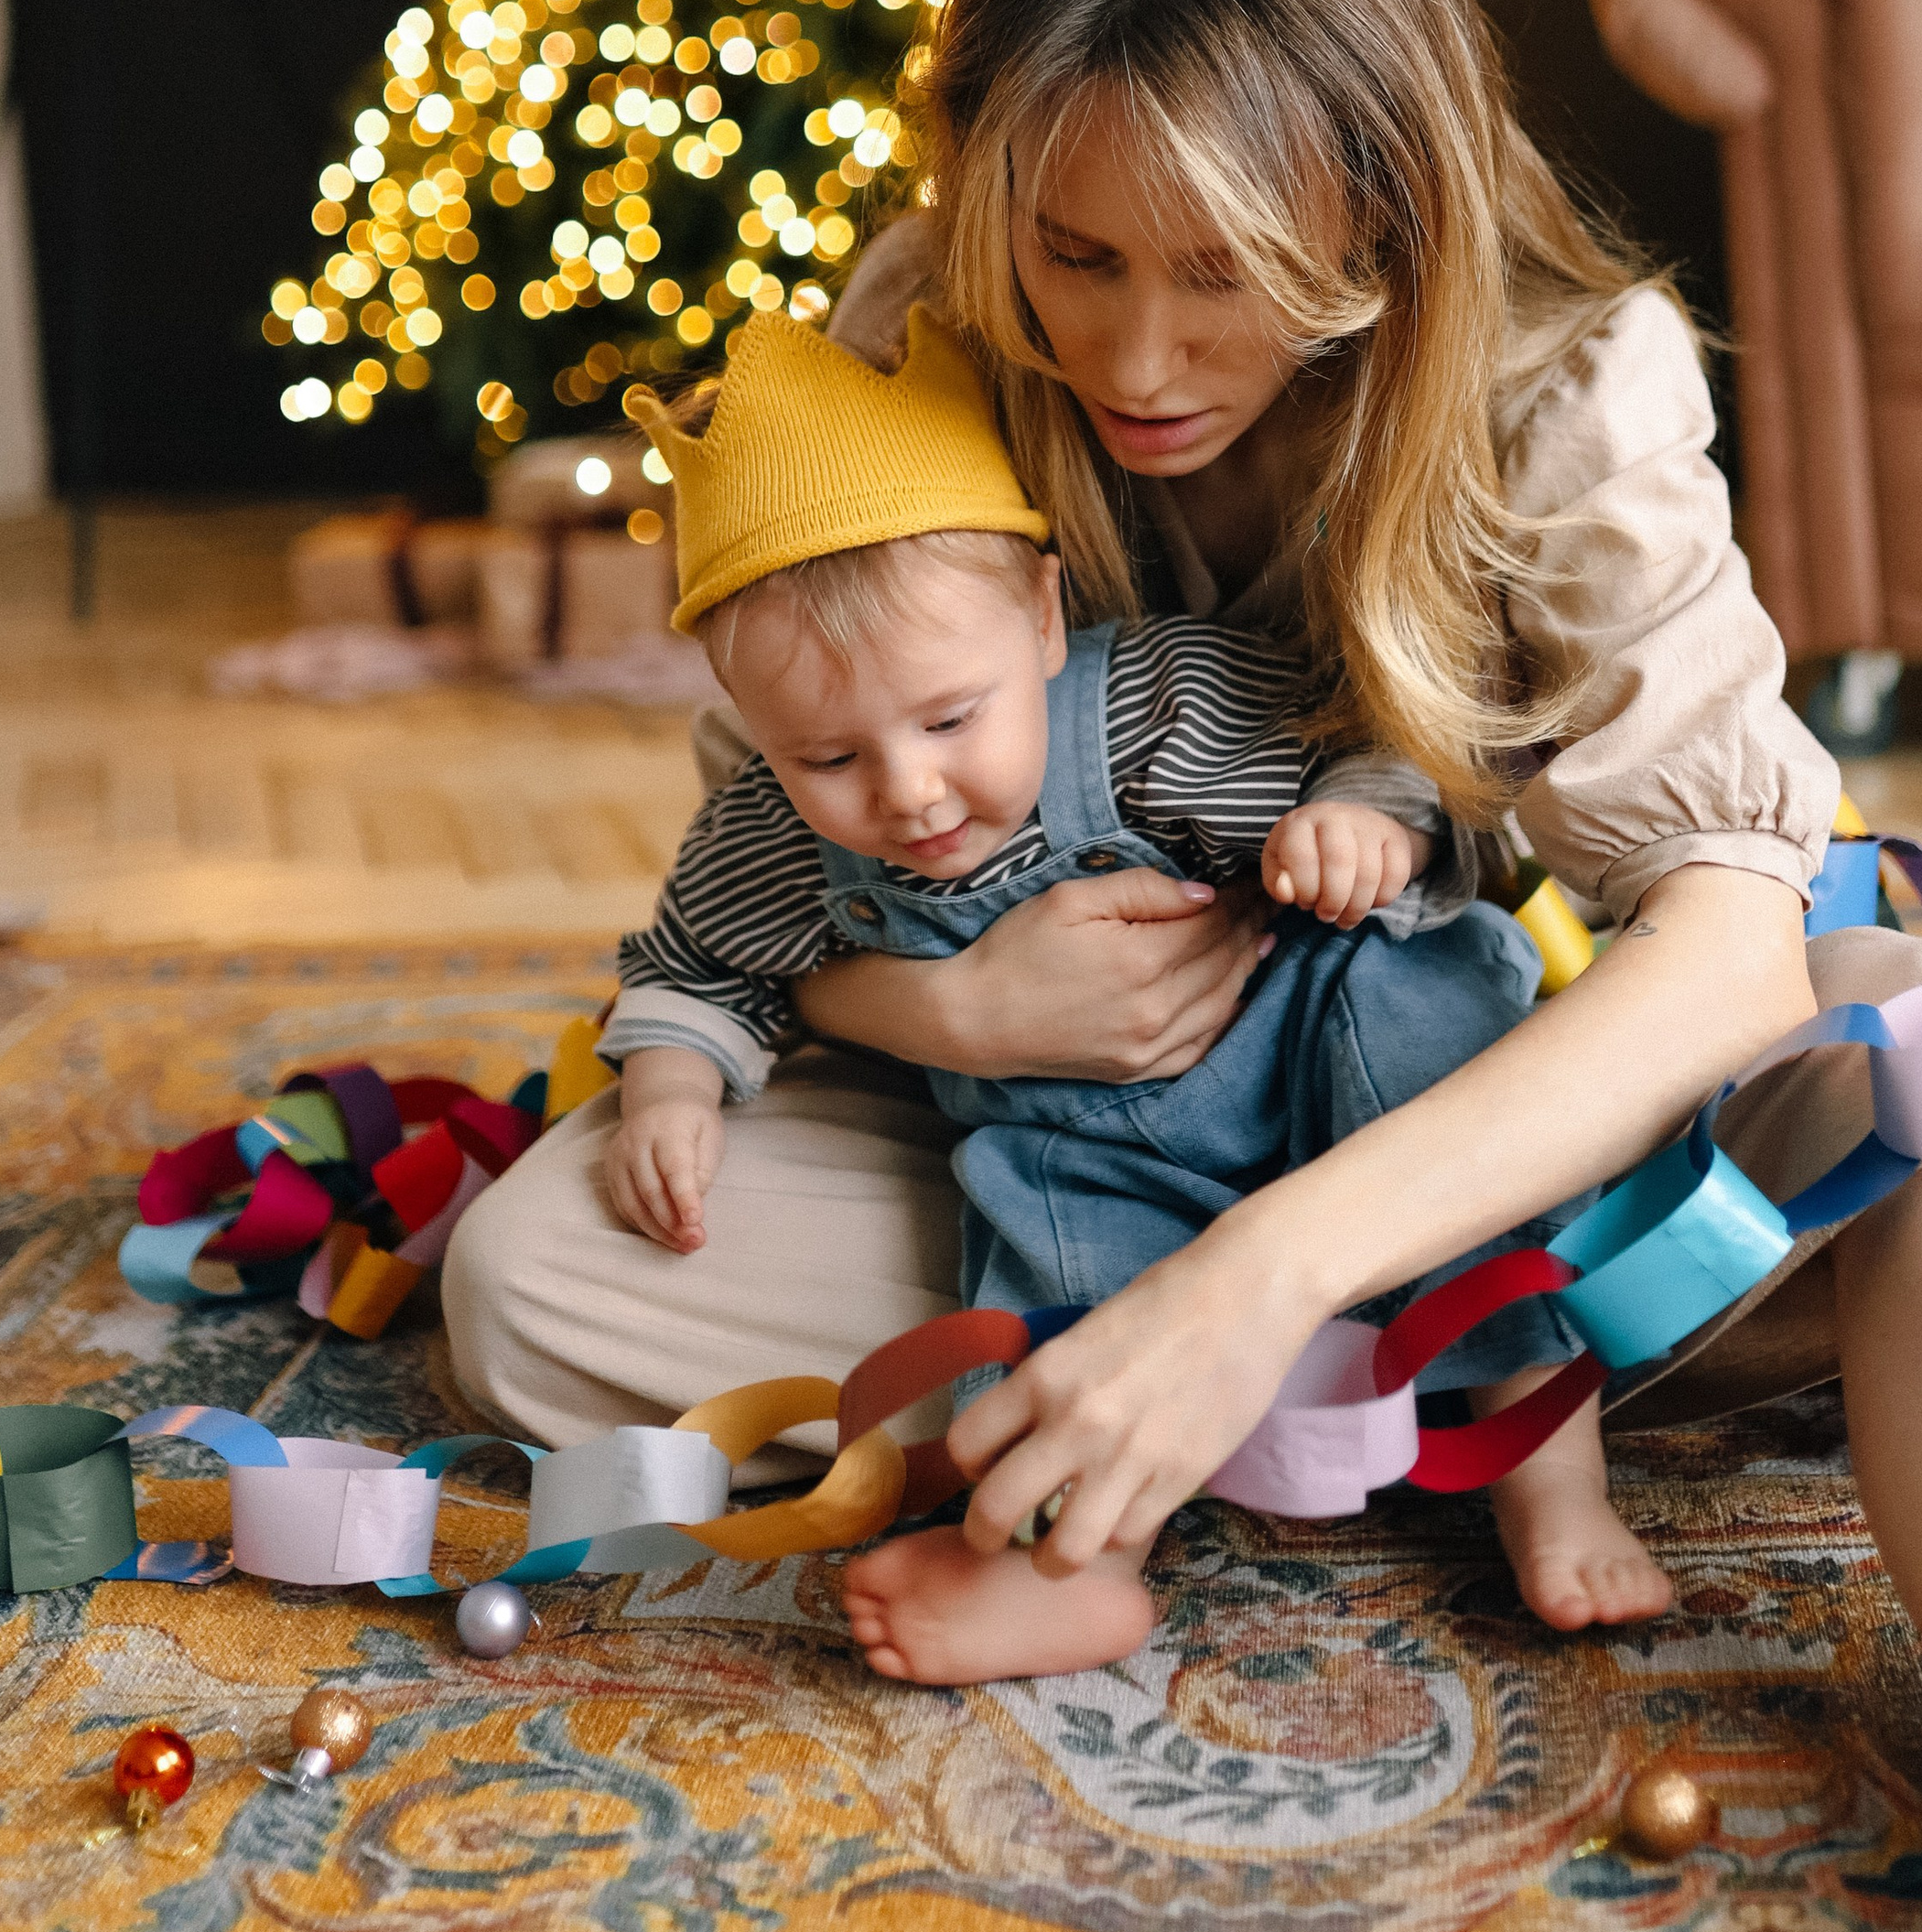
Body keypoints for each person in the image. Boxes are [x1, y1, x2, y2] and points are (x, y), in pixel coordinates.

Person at [447, 0, 1922, 1932]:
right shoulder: (919, 326)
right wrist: (932, 1001)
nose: (1136, 350)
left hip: (1449, 1116)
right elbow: (773, 838)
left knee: (1913, 1052)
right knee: (538, 1283)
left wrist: (1260, 1280)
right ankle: (1538, 1378)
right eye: (1075, 254)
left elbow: (1722, 940)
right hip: (1067, 1150)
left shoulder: (1563, 380)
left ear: (1385, 205)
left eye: (1223, 268)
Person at [599, 300, 1614, 1680]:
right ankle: (1066, 1571)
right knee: (1041, 1271)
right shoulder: (769, 837)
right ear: (747, 714)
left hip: (1311, 1051)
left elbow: (1374, 736)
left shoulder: (1154, 709)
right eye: (829, 757)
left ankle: (1554, 1488)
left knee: (1432, 1048)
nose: (909, 791)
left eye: (951, 719)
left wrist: (1361, 824)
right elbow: (694, 962)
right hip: (1088, 1146)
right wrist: (669, 1086)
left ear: (1041, 615)